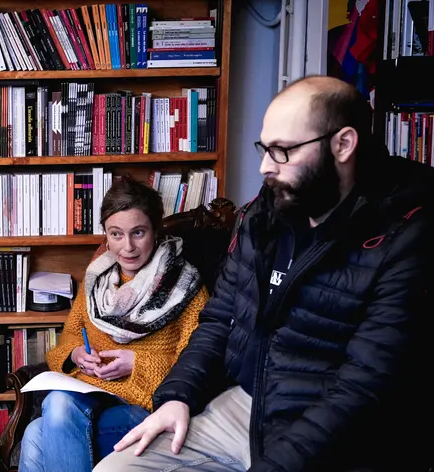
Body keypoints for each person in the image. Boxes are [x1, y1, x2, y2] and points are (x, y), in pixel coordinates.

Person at [95, 75, 434, 472]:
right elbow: (220, 320)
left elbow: (365, 383)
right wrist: (178, 396)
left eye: (282, 151)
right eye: (264, 148)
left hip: (337, 433)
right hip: (246, 403)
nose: (264, 167)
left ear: (343, 144)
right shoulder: (264, 213)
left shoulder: (407, 233)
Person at [19, 178, 211, 472]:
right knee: (47, 418)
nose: (128, 247)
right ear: (106, 236)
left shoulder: (185, 288)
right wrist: (76, 355)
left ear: (156, 231)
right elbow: (71, 334)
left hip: (146, 407)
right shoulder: (96, 281)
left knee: (39, 431)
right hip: (90, 395)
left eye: (138, 233)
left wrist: (137, 363)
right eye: (116, 234)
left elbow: (201, 365)